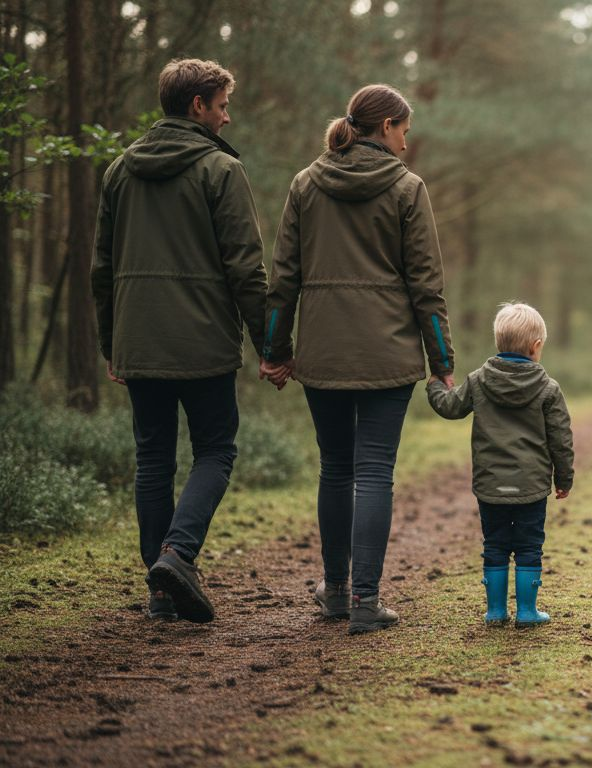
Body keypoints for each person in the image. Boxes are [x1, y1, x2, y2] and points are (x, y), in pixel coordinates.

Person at [261, 84, 454, 635]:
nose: (406, 143)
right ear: (388, 125)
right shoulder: (407, 189)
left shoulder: (305, 184)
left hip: (322, 356)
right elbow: (427, 287)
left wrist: (276, 353)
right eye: (404, 131)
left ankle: (337, 593)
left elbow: (284, 281)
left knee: (335, 470)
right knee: (374, 474)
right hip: (388, 356)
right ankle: (367, 602)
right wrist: (442, 360)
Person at [92, 58, 267, 624]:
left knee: (153, 458)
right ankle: (176, 555)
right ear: (197, 106)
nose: (227, 116)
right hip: (204, 342)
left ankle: (161, 593)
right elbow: (246, 267)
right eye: (221, 106)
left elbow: (102, 268)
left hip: (139, 339)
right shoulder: (221, 170)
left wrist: (112, 344)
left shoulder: (120, 170)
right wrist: (270, 344)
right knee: (216, 449)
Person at [426, 303, 574, 627]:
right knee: (529, 546)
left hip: (490, 485)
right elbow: (561, 439)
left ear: (498, 342)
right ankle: (526, 612)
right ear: (536, 347)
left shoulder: (479, 381)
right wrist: (564, 478)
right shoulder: (548, 389)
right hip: (531, 488)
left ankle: (495, 612)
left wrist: (435, 385)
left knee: (493, 544)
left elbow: (450, 407)